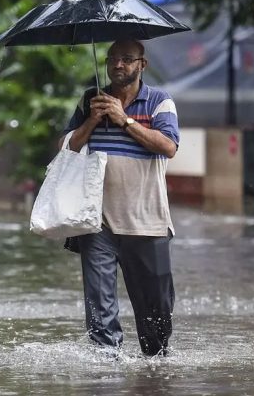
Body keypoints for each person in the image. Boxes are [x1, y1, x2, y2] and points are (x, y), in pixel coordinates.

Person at [60, 39, 179, 357]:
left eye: (127, 59)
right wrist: (93, 121)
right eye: (113, 58)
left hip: (147, 222)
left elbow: (168, 146)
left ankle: (155, 375)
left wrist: (123, 119)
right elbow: (67, 147)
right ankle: (105, 368)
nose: (118, 65)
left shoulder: (159, 101)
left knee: (156, 315)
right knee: (99, 309)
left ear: (143, 64)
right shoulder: (91, 100)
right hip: (96, 222)